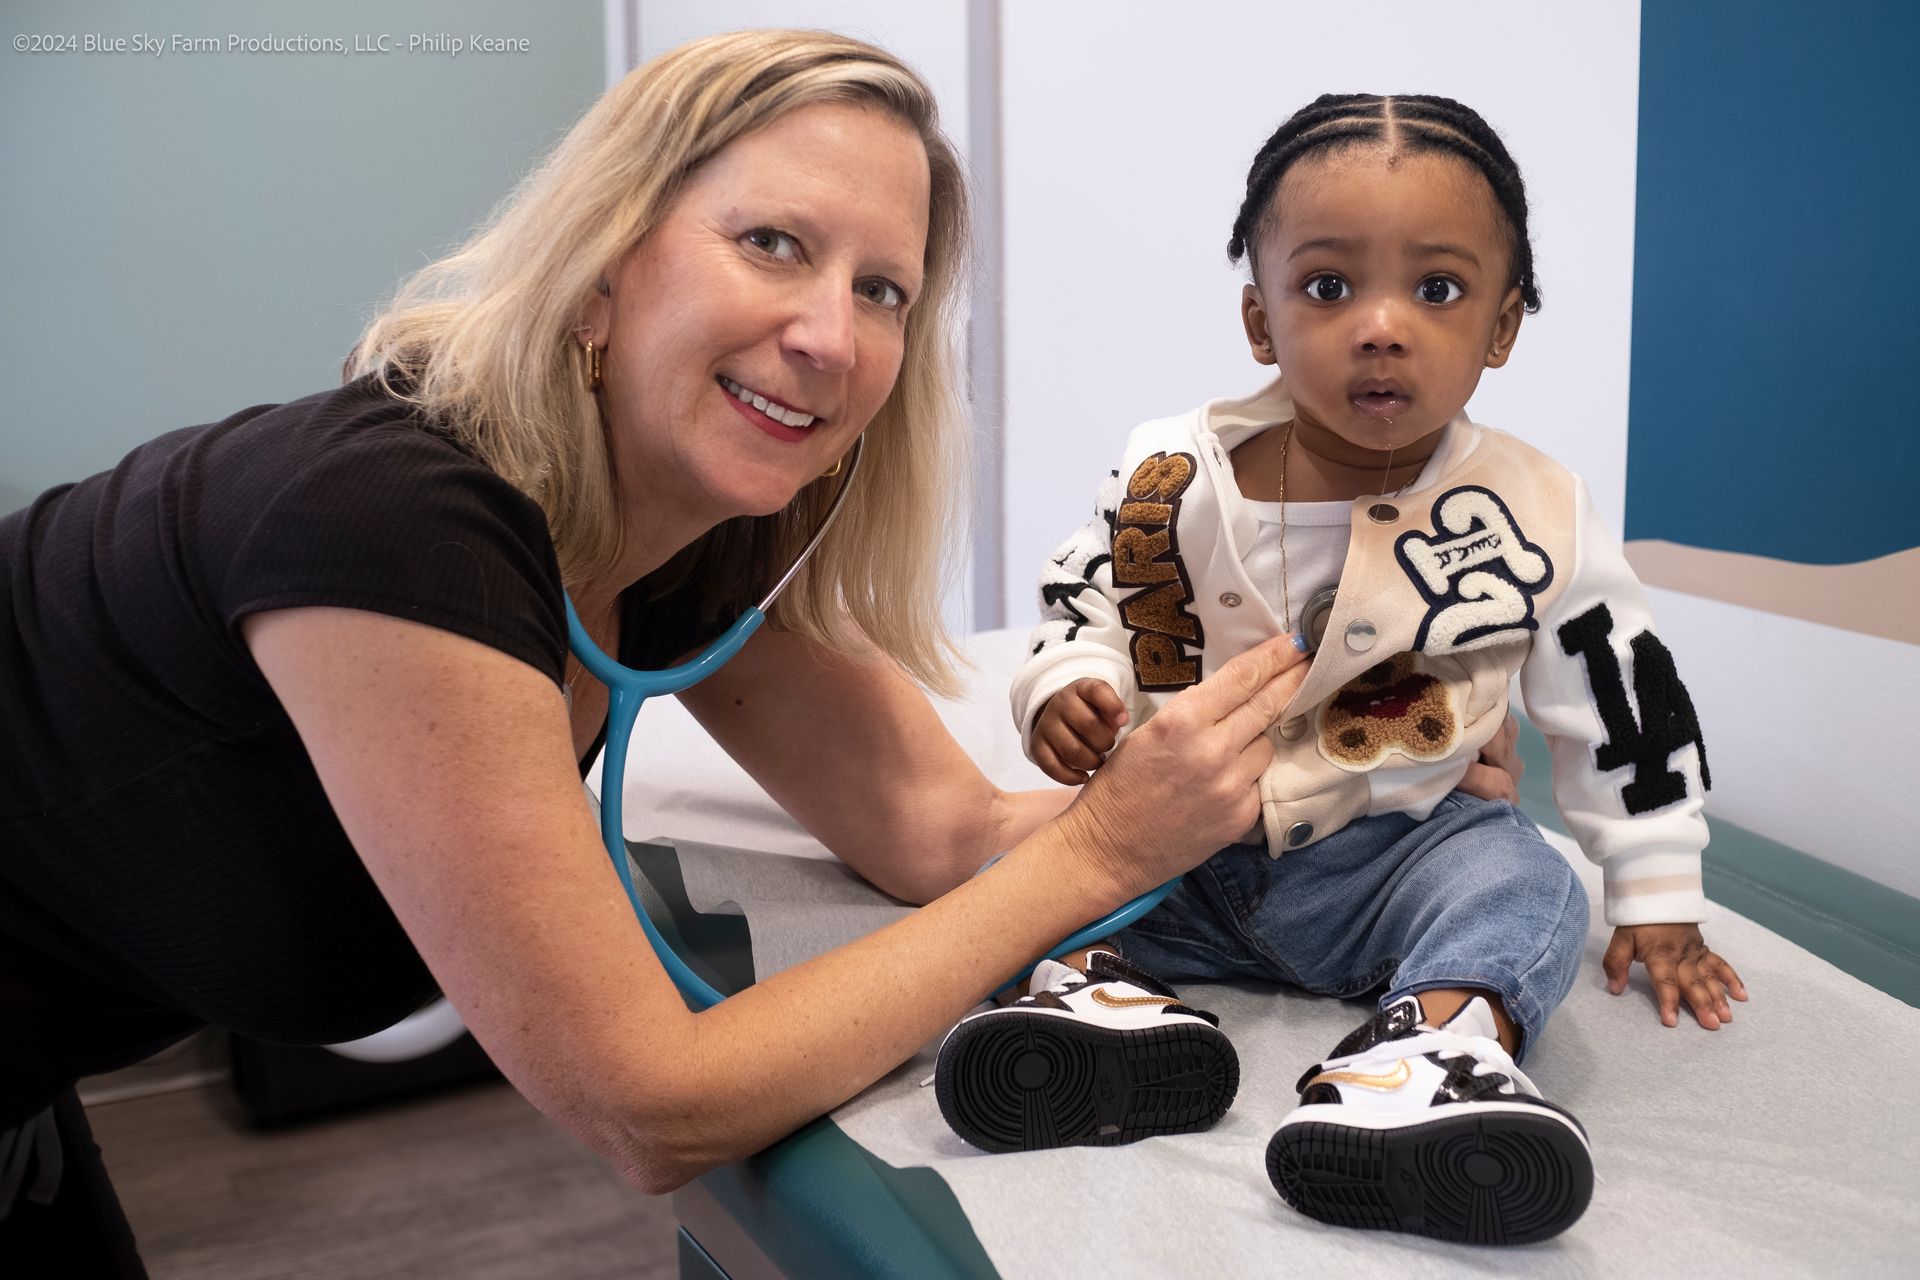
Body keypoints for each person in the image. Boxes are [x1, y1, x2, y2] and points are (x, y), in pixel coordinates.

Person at [0, 30, 1339, 1275]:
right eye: (770, 243)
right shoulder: (392, 527)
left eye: (883, 288)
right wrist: (1104, 851)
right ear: (602, 270)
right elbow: (652, 1105)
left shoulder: (691, 523)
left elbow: (936, 829)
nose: (829, 336)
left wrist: (1312, 793)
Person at [932, 93, 1747, 1247]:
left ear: (1504, 326)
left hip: (1396, 856)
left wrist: (1659, 891)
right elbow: (1088, 588)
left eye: (1438, 289)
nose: (1380, 325)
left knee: (1531, 885)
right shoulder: (1175, 475)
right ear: (1261, 320)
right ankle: (1094, 1002)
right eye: (1326, 288)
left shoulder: (1536, 513)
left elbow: (1623, 699)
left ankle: (1430, 1047)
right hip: (1182, 846)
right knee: (1035, 867)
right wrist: (1061, 677)